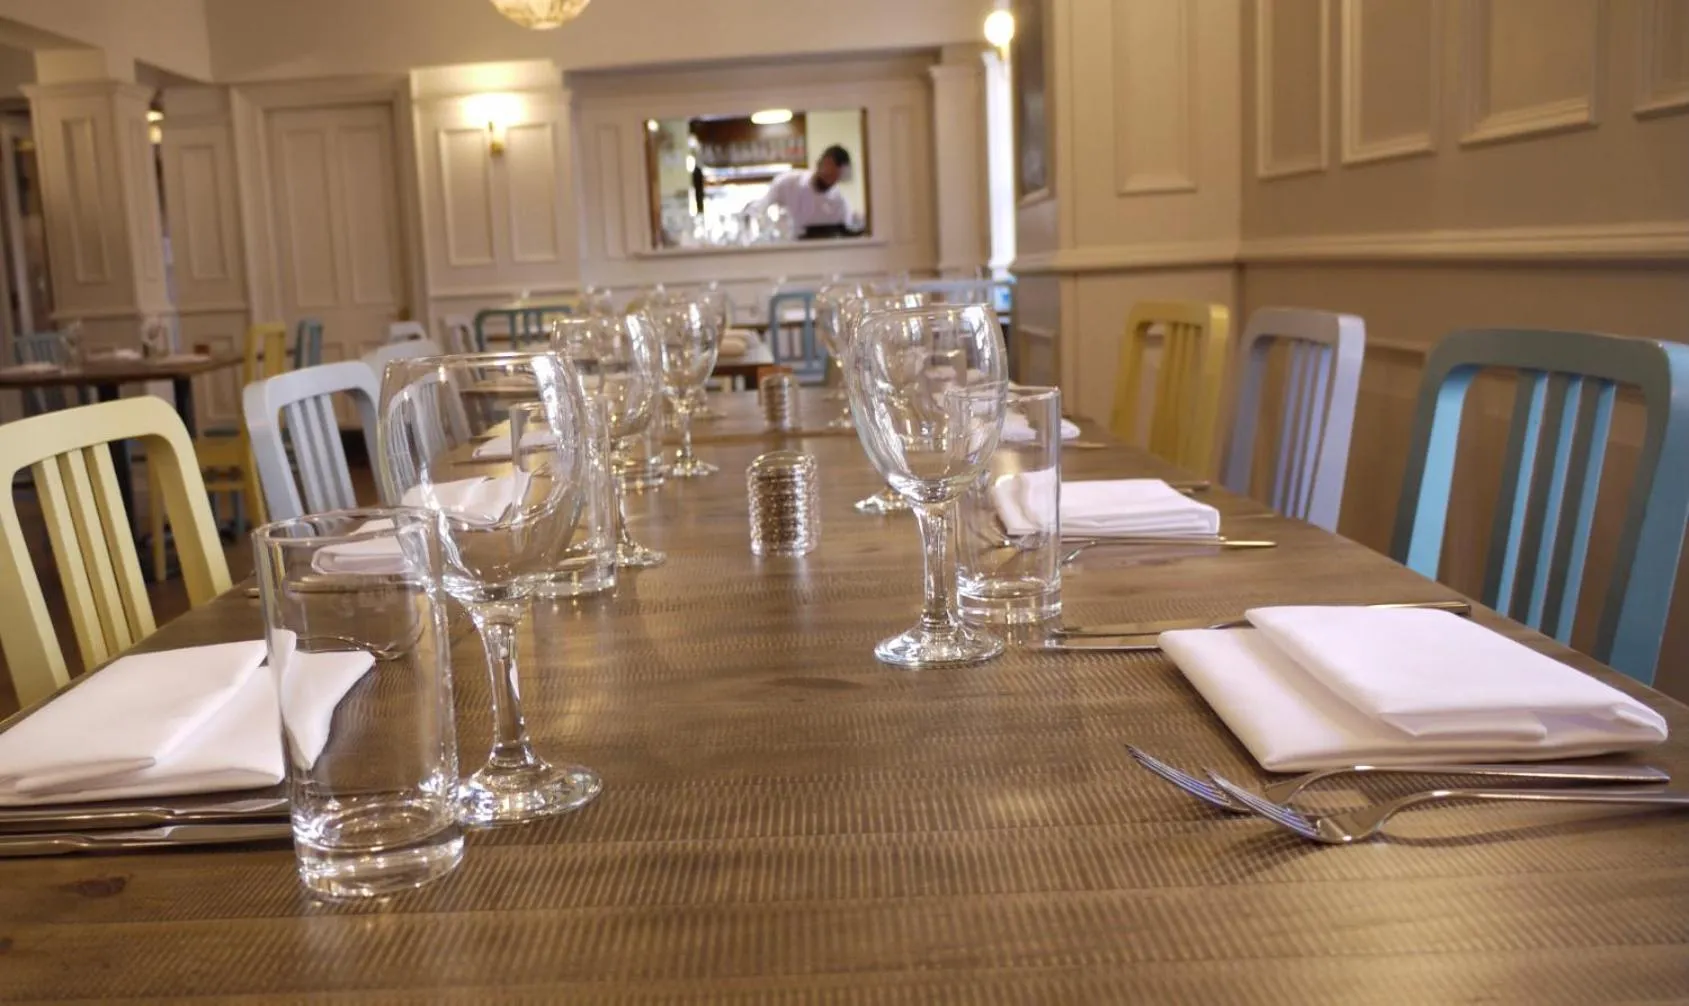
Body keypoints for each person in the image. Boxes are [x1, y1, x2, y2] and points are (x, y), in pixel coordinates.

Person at [752, 145, 855, 236]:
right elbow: (760, 210)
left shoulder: (839, 203)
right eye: (828, 171)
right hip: (786, 246)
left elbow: (845, 233)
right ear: (819, 163)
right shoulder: (786, 183)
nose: (830, 178)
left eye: (835, 176)